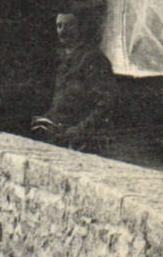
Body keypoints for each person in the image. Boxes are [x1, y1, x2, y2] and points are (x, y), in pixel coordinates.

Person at [30, 10, 116, 151]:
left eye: (69, 25)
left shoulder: (93, 59)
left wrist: (80, 130)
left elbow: (106, 103)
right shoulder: (64, 59)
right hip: (60, 136)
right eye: (59, 26)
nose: (62, 31)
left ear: (81, 28)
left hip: (83, 141)